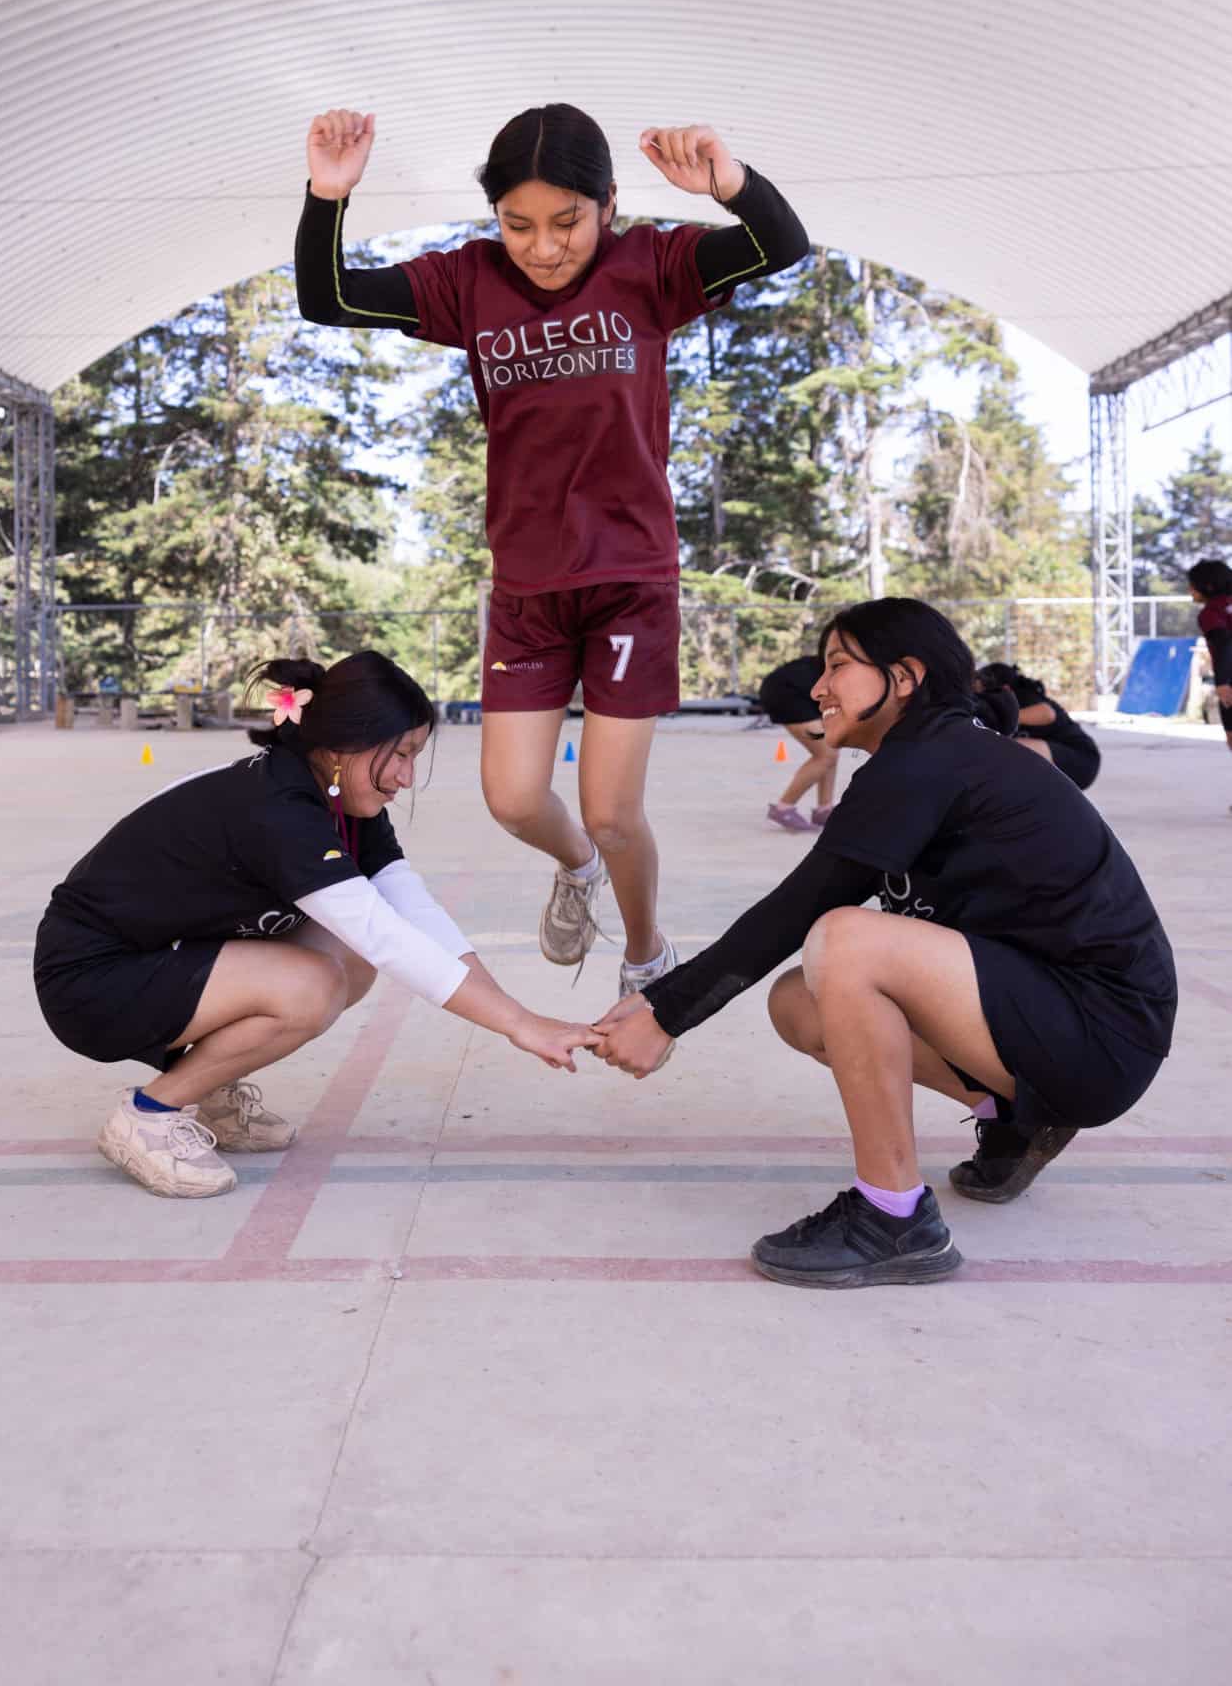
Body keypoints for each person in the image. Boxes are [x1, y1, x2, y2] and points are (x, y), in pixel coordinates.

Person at [294, 104, 808, 998]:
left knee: (613, 809)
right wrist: (327, 195)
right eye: (517, 224)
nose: (542, 247)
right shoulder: (468, 283)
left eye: (566, 222)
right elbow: (327, 298)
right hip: (529, 586)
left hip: (630, 580)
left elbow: (781, 245)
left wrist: (727, 183)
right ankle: (577, 871)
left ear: (607, 204)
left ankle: (647, 952)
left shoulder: (654, 265)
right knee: (515, 800)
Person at [593, 599, 1177, 1291]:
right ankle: (1012, 1119)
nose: (818, 687)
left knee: (844, 943)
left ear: (903, 677)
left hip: (1100, 1032)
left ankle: (894, 1217)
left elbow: (799, 907)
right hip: (1063, 1021)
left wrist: (665, 1013)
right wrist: (665, 1006)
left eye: (838, 665)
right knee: (798, 1003)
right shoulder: (931, 755)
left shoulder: (932, 759)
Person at [34, 651, 600, 1199]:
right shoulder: (278, 810)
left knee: (349, 960)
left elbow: (414, 914)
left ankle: (207, 1086)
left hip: (167, 957)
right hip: (92, 981)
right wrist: (517, 1025)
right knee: (315, 984)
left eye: (414, 757)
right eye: (399, 754)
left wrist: (518, 1014)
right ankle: (147, 1116)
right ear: (342, 745)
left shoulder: (343, 799)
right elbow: (388, 938)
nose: (405, 777)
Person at [975, 660, 1100, 790]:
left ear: (1005, 688)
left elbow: (1047, 714)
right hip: (1060, 762)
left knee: (1011, 748)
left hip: (1081, 759)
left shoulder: (1023, 696)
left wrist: (1004, 716)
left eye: (983, 692)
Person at [758, 654, 839, 830]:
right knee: (826, 754)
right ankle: (783, 808)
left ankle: (824, 810)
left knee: (831, 748)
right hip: (788, 692)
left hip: (797, 690)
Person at [1187, 558, 1232, 767]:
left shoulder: (1211, 612)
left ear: (1209, 586)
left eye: (1193, 585)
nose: (1190, 590)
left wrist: (1223, 681)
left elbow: (1224, 643)